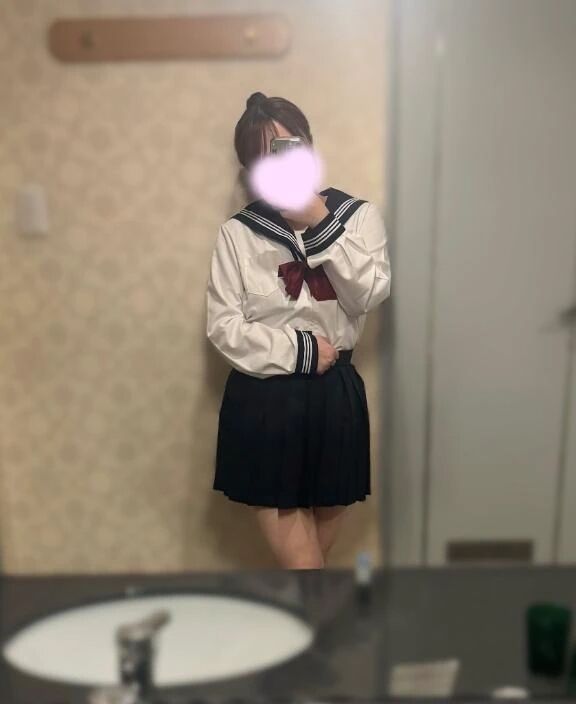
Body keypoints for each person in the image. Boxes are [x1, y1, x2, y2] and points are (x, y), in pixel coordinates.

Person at [205, 91, 391, 569]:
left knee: (309, 573)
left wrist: (319, 222)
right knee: (306, 570)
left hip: (336, 398)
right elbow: (224, 327)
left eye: (290, 148)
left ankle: (291, 618)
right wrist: (301, 351)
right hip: (265, 398)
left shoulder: (359, 218)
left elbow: (369, 295)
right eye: (264, 157)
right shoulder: (238, 233)